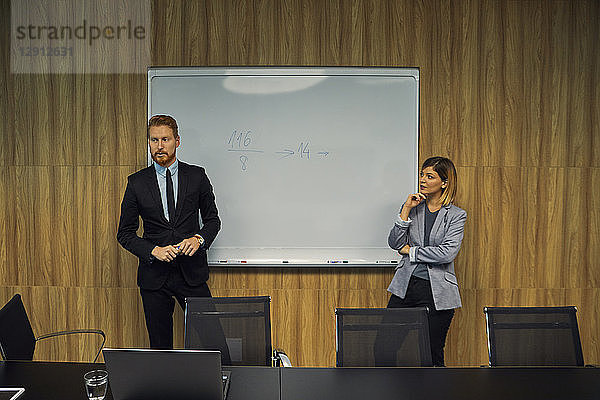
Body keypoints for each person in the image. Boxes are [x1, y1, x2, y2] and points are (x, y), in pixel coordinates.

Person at [117, 114, 222, 350]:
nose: (159, 146)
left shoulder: (197, 176)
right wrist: (152, 250)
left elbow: (213, 220)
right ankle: (165, 388)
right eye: (154, 140)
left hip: (192, 274)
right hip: (154, 277)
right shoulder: (136, 183)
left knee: (214, 341)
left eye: (165, 139)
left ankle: (218, 386)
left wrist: (199, 239)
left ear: (177, 141)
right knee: (160, 348)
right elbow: (124, 233)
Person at [386, 156, 467, 366]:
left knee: (431, 353)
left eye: (429, 176)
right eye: (422, 174)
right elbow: (395, 243)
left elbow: (446, 254)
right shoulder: (414, 208)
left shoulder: (456, 215)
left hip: (437, 291)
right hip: (406, 286)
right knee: (384, 348)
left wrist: (411, 252)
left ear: (444, 182)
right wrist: (405, 209)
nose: (422, 180)